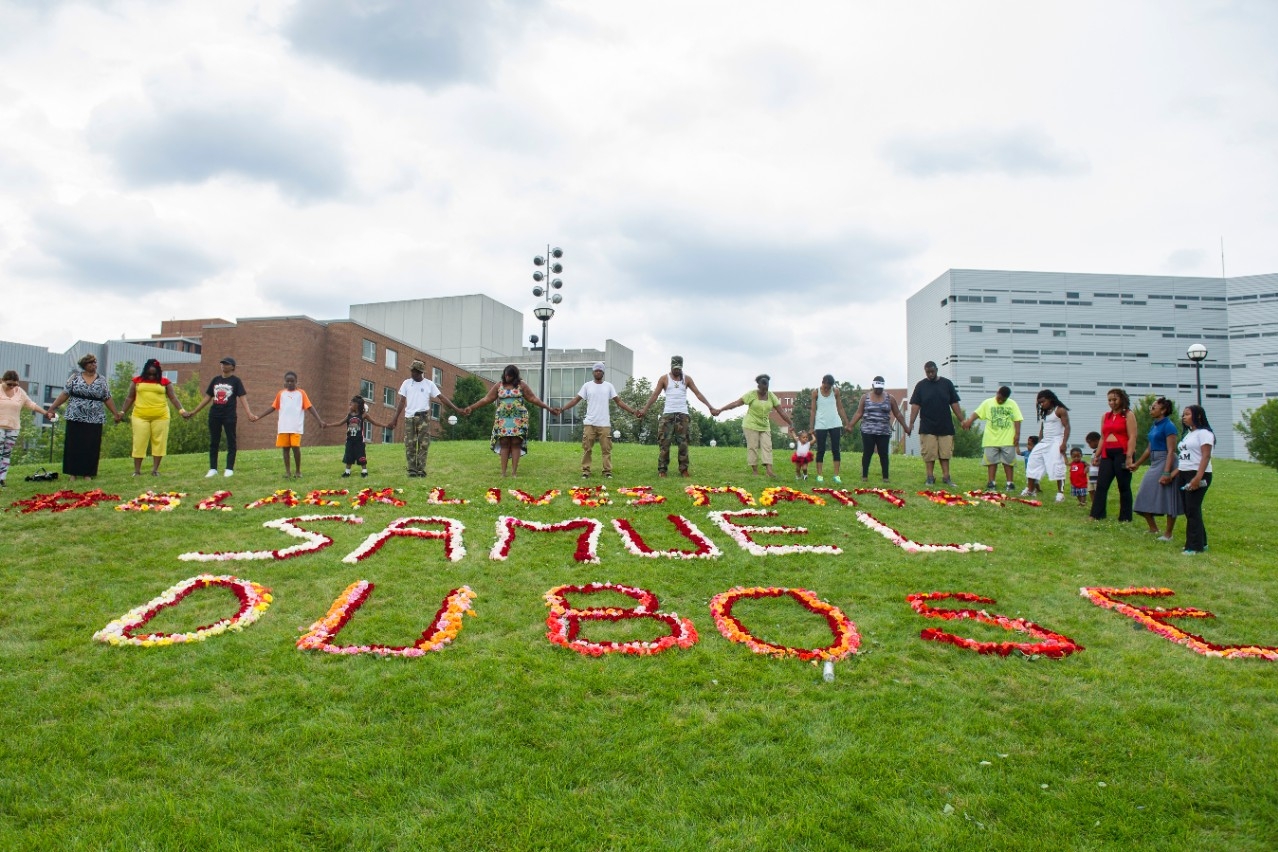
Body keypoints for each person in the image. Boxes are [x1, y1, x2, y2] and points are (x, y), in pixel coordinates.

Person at [462, 364, 552, 478]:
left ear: (514, 375)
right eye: (506, 375)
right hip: (503, 418)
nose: (507, 377)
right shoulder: (499, 385)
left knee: (516, 443)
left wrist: (548, 408)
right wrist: (472, 407)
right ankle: (503, 473)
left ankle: (514, 472)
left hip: (518, 417)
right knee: (504, 442)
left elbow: (533, 398)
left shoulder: (521, 385)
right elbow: (486, 399)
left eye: (509, 375)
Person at [556, 361, 639, 479]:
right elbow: (576, 400)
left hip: (604, 423)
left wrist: (632, 411)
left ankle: (607, 471)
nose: (598, 372)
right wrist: (562, 409)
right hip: (590, 422)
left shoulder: (609, 386)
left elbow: (619, 402)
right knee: (587, 448)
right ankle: (586, 471)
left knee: (606, 449)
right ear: (593, 372)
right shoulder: (587, 386)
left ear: (603, 372)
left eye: (600, 370)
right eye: (596, 370)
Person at [637, 356, 716, 478]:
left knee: (683, 443)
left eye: (679, 369)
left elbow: (698, 394)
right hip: (668, 415)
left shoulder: (687, 379)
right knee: (664, 443)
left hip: (682, 415)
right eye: (675, 368)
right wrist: (644, 409)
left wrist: (710, 407)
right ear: (671, 366)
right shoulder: (664, 378)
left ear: (682, 367)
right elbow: (655, 395)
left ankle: (683, 469)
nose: (677, 371)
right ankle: (662, 470)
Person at [47, 353, 121, 481]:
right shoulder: (75, 378)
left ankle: (88, 472)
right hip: (75, 415)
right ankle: (73, 473)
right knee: (74, 444)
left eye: (95, 362)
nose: (94, 365)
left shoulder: (102, 380)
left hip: (95, 417)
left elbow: (107, 397)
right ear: (84, 365)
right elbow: (65, 394)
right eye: (91, 362)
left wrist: (115, 413)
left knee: (91, 444)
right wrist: (53, 407)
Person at [387, 359, 462, 478]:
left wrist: (456, 409)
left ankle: (421, 469)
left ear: (420, 372)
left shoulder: (429, 384)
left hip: (423, 417)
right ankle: (412, 469)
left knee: (423, 444)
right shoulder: (406, 383)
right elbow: (402, 402)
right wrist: (394, 419)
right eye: (411, 371)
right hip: (409, 418)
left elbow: (441, 398)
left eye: (415, 372)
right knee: (410, 444)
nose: (412, 374)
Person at [184, 356, 252, 478]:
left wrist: (249, 413)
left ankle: (229, 468)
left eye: (226, 364)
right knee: (214, 441)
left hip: (229, 415)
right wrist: (194, 411)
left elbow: (242, 397)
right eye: (222, 364)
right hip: (215, 414)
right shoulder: (215, 380)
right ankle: (213, 468)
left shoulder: (236, 381)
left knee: (231, 441)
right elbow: (207, 397)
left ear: (232, 367)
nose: (223, 366)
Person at [119, 358, 186, 477]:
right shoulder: (136, 381)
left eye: (154, 374)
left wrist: (182, 411)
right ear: (145, 371)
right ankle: (137, 471)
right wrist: (122, 412)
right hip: (140, 416)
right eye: (149, 374)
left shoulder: (165, 382)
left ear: (158, 372)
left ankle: (155, 470)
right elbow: (130, 398)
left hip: (161, 416)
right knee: (139, 441)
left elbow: (173, 398)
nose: (151, 376)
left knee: (159, 442)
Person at [251, 371, 325, 479]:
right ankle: (287, 472)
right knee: (285, 449)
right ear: (284, 382)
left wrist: (319, 420)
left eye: (292, 381)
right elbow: (273, 407)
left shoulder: (301, 393)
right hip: (283, 427)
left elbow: (310, 407)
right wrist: (259, 417)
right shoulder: (281, 394)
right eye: (288, 381)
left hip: (296, 427)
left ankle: (298, 471)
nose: (290, 383)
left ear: (296, 382)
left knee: (296, 447)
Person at [717, 374, 793, 477]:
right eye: (762, 388)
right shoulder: (751, 394)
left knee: (767, 446)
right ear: (758, 386)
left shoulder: (771, 396)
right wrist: (720, 410)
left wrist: (790, 423)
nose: (764, 391)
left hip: (765, 426)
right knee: (753, 447)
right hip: (750, 425)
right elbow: (736, 404)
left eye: (766, 388)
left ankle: (769, 471)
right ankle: (755, 471)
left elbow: (781, 412)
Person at [1129, 397, 1182, 540]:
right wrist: (1137, 464)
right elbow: (1149, 448)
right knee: (1143, 494)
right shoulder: (1154, 425)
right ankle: (1153, 528)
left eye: (1154, 407)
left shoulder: (1169, 426)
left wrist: (1167, 472)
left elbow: (1171, 450)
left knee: (1169, 498)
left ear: (1163, 410)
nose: (1150, 410)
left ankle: (1168, 534)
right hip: (1154, 461)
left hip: (1166, 461)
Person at [907, 361, 966, 487]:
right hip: (927, 426)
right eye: (928, 372)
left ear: (937, 370)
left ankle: (946, 477)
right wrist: (911, 423)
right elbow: (915, 406)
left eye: (932, 371)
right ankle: (930, 477)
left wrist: (962, 420)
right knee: (929, 454)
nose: (930, 374)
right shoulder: (921, 386)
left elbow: (954, 403)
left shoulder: (947, 384)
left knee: (945, 453)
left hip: (945, 425)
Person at [847, 376, 909, 484]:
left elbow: (898, 414)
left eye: (880, 388)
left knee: (883, 453)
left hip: (883, 431)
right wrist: (851, 425)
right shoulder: (865, 397)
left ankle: (885, 477)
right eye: (876, 388)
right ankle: (864, 476)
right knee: (868, 452)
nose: (878, 390)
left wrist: (905, 427)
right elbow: (859, 413)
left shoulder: (890, 398)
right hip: (868, 430)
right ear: (872, 386)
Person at [1089, 388, 1138, 522]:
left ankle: (1125, 517)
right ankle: (1096, 514)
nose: (1112, 402)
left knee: (1123, 486)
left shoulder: (1128, 415)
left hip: (1122, 453)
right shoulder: (1106, 416)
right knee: (1101, 484)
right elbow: (1103, 437)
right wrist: (1097, 455)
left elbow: (1133, 436)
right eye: (1109, 400)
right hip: (1107, 454)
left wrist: (1129, 456)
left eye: (1115, 399)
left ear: (1122, 399)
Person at [962, 385, 1023, 492]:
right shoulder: (988, 402)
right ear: (997, 393)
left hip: (1007, 438)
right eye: (999, 398)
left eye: (1003, 400)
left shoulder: (1012, 404)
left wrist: (1017, 434)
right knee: (991, 461)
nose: (1000, 400)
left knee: (1008, 462)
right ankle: (991, 482)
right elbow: (977, 413)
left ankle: (1010, 483)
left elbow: (1017, 419)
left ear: (1007, 398)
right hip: (991, 438)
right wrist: (969, 421)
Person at [0, 370, 55, 488]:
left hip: (13, 427)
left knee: (6, 453)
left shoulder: (20, 392)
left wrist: (46, 413)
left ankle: (2, 478)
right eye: (9, 384)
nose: (12, 386)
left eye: (14, 384)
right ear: (3, 381)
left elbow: (31, 404)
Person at [1176, 404, 1214, 555]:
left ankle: (1194, 546)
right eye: (1183, 415)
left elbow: (1206, 456)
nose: (1184, 417)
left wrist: (1198, 477)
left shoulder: (1204, 433)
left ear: (1198, 416)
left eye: (1187, 414)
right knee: (1189, 509)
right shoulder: (1188, 434)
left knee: (1192, 509)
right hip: (1184, 473)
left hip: (1198, 473)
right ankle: (1201, 541)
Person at [325, 396, 388, 478]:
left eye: (351, 404)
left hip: (359, 440)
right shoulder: (349, 416)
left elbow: (374, 422)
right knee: (349, 455)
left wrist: (386, 425)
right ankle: (347, 472)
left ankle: (364, 471)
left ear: (357, 405)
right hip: (350, 440)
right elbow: (340, 423)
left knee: (361, 455)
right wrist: (328, 425)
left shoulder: (363, 415)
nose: (350, 405)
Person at [1025, 389, 1071, 502]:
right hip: (1045, 441)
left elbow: (1067, 427)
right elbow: (1042, 429)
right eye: (1039, 402)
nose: (1041, 404)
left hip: (1057, 441)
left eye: (1043, 401)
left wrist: (1064, 443)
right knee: (1032, 461)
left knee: (1057, 466)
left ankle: (1060, 494)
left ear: (1050, 399)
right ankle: (1030, 490)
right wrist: (1039, 443)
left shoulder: (1060, 410)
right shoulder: (1044, 413)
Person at [809, 375, 851, 483]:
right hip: (821, 424)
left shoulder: (836, 391)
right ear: (822, 382)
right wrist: (811, 427)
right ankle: (819, 475)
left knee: (836, 449)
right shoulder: (816, 392)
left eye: (829, 387)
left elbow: (840, 407)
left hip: (835, 423)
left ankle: (836, 475)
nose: (827, 389)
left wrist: (847, 423)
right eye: (826, 386)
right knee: (821, 450)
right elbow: (813, 410)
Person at [1085, 431, 1101, 501]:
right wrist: (1089, 466)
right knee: (1091, 491)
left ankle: (1098, 505)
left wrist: (1098, 463)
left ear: (1097, 441)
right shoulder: (1094, 452)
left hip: (1098, 477)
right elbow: (1092, 462)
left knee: (1098, 492)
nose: (1089, 445)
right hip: (1091, 476)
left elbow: (1104, 461)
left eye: (1089, 443)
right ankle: (1094, 506)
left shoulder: (1102, 451)